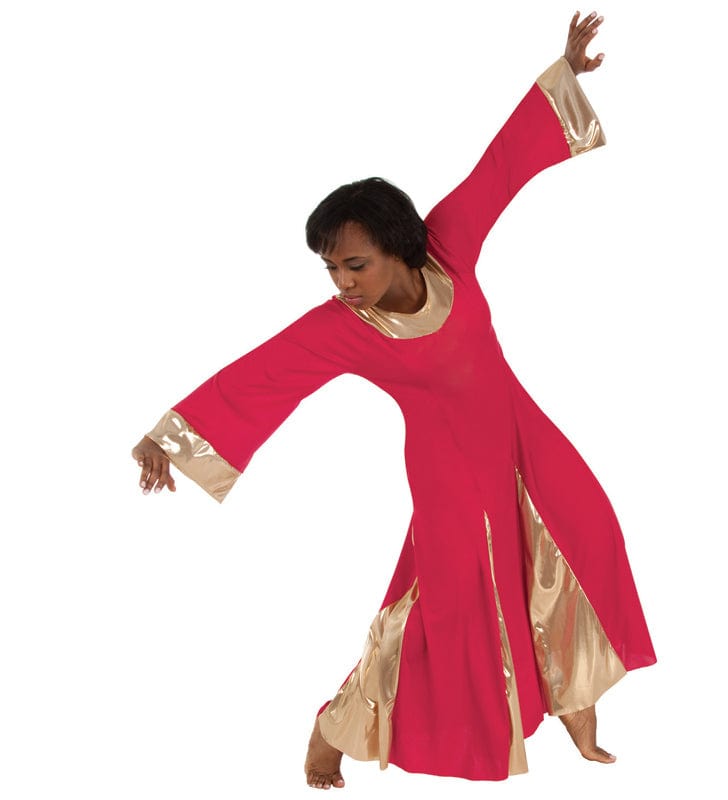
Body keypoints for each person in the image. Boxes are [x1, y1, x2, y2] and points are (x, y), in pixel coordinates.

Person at [132, 10, 655, 790]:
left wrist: (565, 73)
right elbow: (263, 373)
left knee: (583, 533)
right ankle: (333, 729)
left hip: (519, 433)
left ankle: (574, 699)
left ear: (400, 246)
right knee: (451, 612)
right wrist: (170, 437)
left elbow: (497, 171)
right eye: (332, 269)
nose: (343, 283)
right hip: (449, 474)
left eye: (356, 264)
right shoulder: (346, 328)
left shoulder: (447, 246)